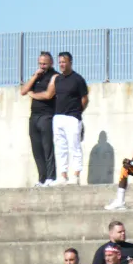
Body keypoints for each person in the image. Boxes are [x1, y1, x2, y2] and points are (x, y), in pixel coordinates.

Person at [40, 51, 88, 184]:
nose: (61, 64)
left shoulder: (78, 79)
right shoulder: (58, 79)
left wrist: (77, 113)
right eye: (60, 62)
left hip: (72, 117)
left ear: (70, 63)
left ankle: (75, 175)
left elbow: (84, 99)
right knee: (60, 148)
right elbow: (49, 94)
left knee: (74, 146)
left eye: (64, 62)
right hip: (58, 117)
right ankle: (63, 176)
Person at [22, 51, 58, 187]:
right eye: (40, 63)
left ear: (51, 63)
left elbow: (48, 95)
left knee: (47, 148)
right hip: (34, 116)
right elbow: (23, 91)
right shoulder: (36, 76)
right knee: (37, 150)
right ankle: (42, 178)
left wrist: (33, 94)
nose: (42, 66)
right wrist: (34, 77)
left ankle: (51, 177)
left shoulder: (54, 76)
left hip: (47, 116)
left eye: (44, 64)